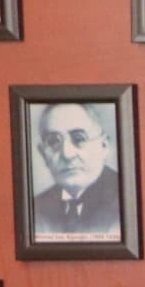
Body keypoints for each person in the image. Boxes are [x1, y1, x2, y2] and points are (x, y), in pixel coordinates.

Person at [27, 101, 123, 241]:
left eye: (79, 139)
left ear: (104, 146)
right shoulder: (34, 208)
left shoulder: (127, 199)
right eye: (54, 142)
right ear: (43, 154)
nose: (67, 154)